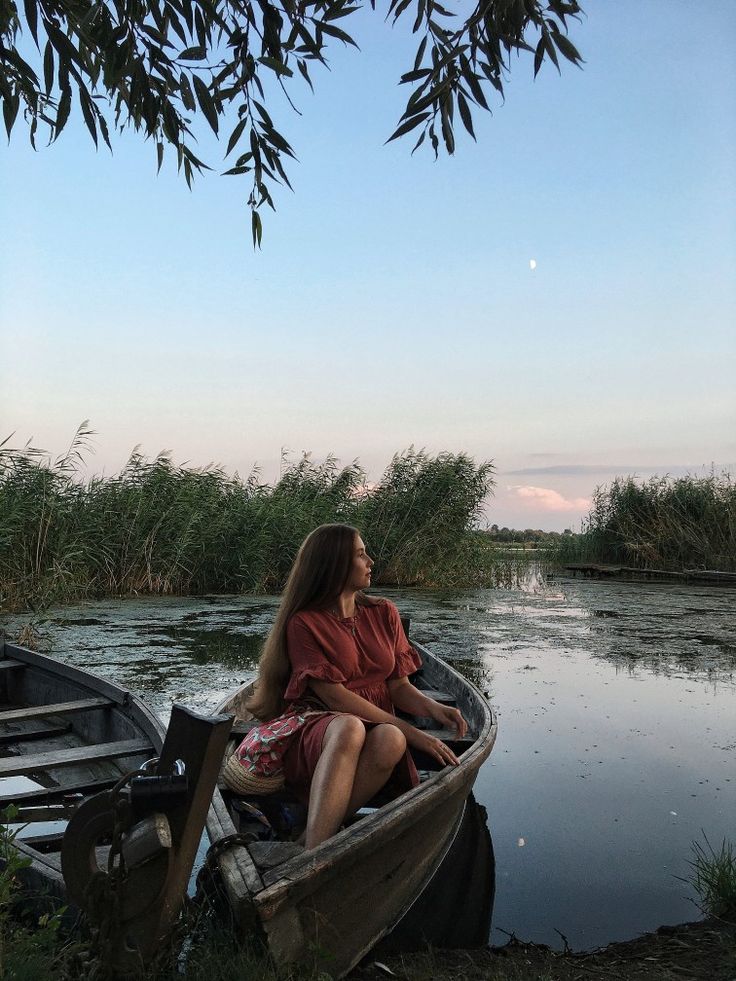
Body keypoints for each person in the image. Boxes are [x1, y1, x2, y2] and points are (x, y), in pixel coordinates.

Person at [246, 523, 468, 850]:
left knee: (392, 738)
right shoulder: (304, 623)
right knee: (351, 727)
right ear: (335, 564)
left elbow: (398, 687)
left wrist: (434, 708)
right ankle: (315, 856)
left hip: (376, 723)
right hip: (321, 725)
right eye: (361, 554)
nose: (371, 561)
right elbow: (334, 697)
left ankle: (312, 839)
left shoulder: (383, 612)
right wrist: (415, 733)